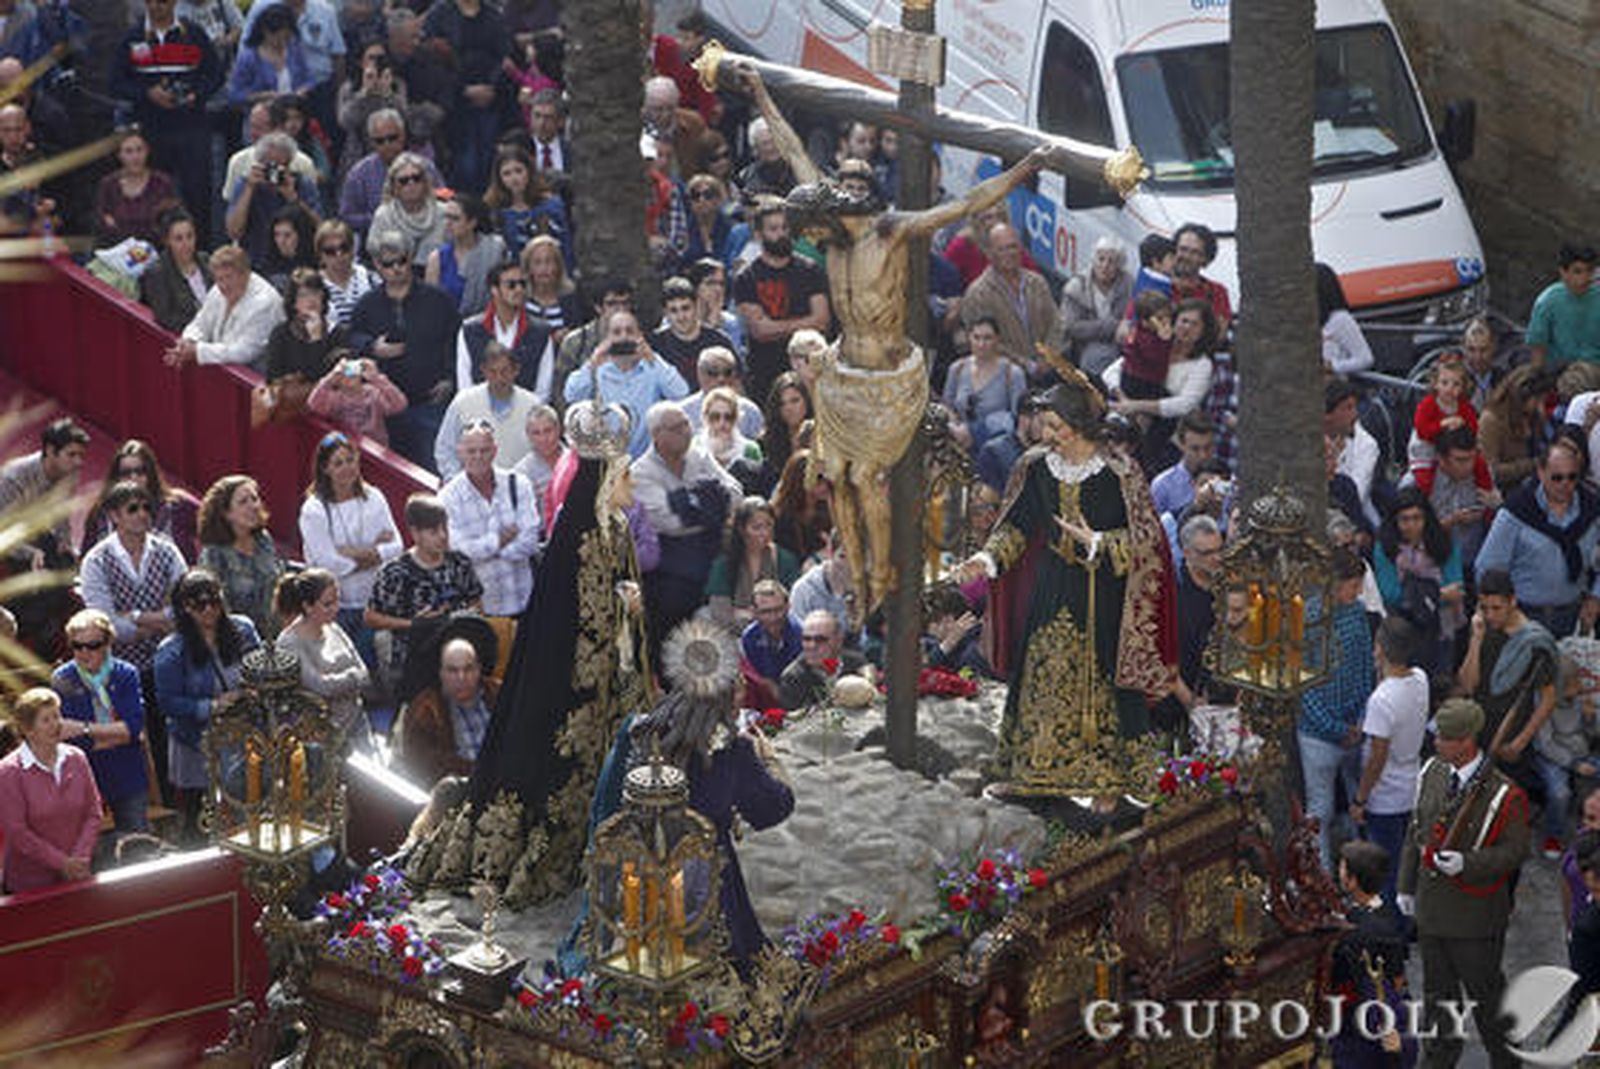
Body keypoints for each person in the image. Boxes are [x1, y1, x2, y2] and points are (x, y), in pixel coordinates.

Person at [468, 398, 652, 905]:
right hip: (575, 680)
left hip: (616, 675)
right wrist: (623, 608)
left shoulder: (615, 530)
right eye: (624, 476)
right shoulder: (585, 537)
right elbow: (587, 618)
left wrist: (630, 608)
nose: (631, 485)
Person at [956, 373, 1174, 798]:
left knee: (1108, 676)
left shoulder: (1119, 474)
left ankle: (1111, 779)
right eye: (1044, 425)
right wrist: (985, 559)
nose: (1046, 434)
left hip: (1107, 595)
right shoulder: (1037, 468)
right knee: (1041, 667)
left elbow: (1148, 544)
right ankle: (1031, 771)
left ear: (1079, 426)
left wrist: (1098, 543)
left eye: (1055, 426)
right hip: (1053, 586)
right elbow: (1016, 526)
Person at [576, 619, 794, 972]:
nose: (741, 691)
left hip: (636, 882)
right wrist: (769, 760)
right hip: (707, 891)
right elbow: (772, 809)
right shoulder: (731, 751)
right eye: (736, 685)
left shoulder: (639, 732)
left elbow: (605, 807)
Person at [1397, 697, 1528, 1069]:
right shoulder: (1432, 772)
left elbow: (1514, 852)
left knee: (1488, 1001)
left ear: (1466, 742)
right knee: (1439, 1000)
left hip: (1475, 919)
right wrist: (1406, 885)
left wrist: (1468, 864)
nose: (1436, 743)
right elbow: (1416, 830)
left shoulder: (1504, 794)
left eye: (1444, 738)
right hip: (1433, 913)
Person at [1459, 568, 1561, 857]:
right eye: (1485, 608)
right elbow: (1468, 684)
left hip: (1510, 738)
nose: (1491, 615)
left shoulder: (1535, 641)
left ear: (1512, 601)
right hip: (1479, 733)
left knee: (1508, 815)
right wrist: (1476, 639)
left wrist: (1520, 742)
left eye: (1497, 608)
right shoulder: (1484, 630)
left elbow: (1548, 698)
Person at [154, 568, 262, 841]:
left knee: (249, 804)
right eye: (200, 604)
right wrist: (212, 705)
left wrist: (254, 689)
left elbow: (259, 667)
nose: (209, 610)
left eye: (214, 601)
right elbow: (167, 703)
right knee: (201, 817)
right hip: (197, 743)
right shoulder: (172, 650)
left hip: (243, 735)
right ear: (185, 608)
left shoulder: (243, 630)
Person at [632, 402, 741, 652]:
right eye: (676, 427)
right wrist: (710, 504)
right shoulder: (641, 473)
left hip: (712, 557)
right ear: (657, 435)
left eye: (686, 424)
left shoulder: (699, 455)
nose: (686, 431)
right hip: (671, 572)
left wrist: (684, 502)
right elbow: (669, 524)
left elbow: (735, 493)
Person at [347, 229, 460, 468]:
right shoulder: (367, 304)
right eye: (388, 264)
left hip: (428, 402)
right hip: (382, 408)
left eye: (402, 260)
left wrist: (450, 378)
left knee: (433, 469)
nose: (397, 268)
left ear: (410, 258)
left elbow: (455, 342)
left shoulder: (438, 300)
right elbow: (350, 341)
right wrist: (372, 347)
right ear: (377, 265)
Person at [1292, 547, 1373, 871]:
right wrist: (1336, 729)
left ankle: (1361, 874)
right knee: (1320, 812)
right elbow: (1302, 688)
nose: (1356, 593)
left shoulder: (1357, 613)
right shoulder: (1307, 620)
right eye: (1351, 586)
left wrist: (1362, 719)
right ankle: (1322, 879)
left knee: (1359, 805)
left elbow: (1366, 666)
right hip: (1318, 734)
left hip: (1355, 726)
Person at [297, 430, 401, 674]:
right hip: (334, 608)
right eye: (338, 463)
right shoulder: (314, 509)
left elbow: (396, 548)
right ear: (325, 469)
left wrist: (353, 552)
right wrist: (375, 552)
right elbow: (328, 566)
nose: (347, 468)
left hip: (372, 604)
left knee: (372, 671)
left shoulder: (374, 497)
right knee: (342, 671)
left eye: (350, 460)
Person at [109, 0, 223, 222]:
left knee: (198, 191)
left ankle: (202, 248)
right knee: (156, 195)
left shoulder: (193, 34)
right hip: (152, 128)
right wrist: (147, 93)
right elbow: (115, 82)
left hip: (192, 126)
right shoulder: (133, 37)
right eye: (150, 2)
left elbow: (215, 74)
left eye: (161, 2)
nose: (155, 7)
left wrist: (195, 95)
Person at [1475, 439, 1600, 637]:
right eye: (1557, 478)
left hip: (1574, 616)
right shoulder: (1517, 511)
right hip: (1524, 618)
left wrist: (1596, 596)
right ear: (1541, 473)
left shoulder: (1591, 509)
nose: (1565, 484)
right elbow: (1488, 567)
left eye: (1572, 477)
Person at [1349, 617, 1429, 907]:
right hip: (1412, 784)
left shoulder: (1381, 700)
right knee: (1408, 864)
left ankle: (1393, 927)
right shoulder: (1420, 678)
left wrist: (1360, 798)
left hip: (1386, 795)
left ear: (1379, 648)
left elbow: (1377, 756)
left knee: (1386, 867)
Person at [364, 493, 483, 685]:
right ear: (415, 532)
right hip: (413, 663)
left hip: (457, 662)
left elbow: (476, 601)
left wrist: (465, 617)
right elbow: (371, 617)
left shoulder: (459, 563)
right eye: (434, 531)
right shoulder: (394, 572)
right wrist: (413, 624)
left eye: (445, 528)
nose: (443, 536)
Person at [51, 609, 150, 836]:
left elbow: (134, 728)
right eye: (77, 646)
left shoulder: (125, 674)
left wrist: (85, 729)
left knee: (138, 845)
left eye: (93, 645)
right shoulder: (62, 679)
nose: (84, 652)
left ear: (107, 644)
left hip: (128, 774)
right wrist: (117, 735)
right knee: (91, 851)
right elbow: (72, 741)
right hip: (85, 779)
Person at [78, 479, 187, 683]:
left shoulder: (168, 552)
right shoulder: (96, 561)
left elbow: (185, 608)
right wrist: (159, 625)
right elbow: (105, 624)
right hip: (117, 670)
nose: (142, 514)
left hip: (169, 661)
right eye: (133, 509)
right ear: (114, 516)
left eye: (146, 507)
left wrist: (135, 616)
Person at [731, 195, 830, 408]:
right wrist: (805, 322)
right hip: (766, 375)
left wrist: (777, 325)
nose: (781, 234)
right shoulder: (747, 278)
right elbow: (760, 331)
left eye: (785, 227)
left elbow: (822, 321)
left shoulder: (811, 270)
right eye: (773, 229)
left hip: (810, 373)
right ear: (759, 234)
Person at [0, 688, 101, 893]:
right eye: (46, 720)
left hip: (80, 874)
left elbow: (93, 812)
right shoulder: (8, 772)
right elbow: (17, 832)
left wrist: (80, 858)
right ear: (28, 730)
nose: (56, 724)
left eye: (57, 716)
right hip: (31, 884)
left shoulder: (77, 758)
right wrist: (62, 863)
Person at [1103, 298, 1218, 475]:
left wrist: (1137, 406)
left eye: (1194, 324)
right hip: (1126, 409)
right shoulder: (1155, 344)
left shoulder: (1202, 364)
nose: (1186, 327)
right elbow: (1111, 372)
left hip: (1167, 431)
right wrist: (1124, 401)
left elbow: (1184, 404)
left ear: (1204, 330)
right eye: (1183, 321)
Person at [1328, 840, 1417, 1068]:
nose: (1338, 872)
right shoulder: (1389, 914)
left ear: (1353, 881)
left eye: (1342, 869)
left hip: (1360, 1019)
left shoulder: (1357, 930)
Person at [439, 420, 541, 618]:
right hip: (481, 609)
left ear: (494, 451)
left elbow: (530, 541)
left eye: (484, 450)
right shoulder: (447, 498)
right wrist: (500, 541)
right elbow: (460, 554)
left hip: (526, 602)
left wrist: (485, 551)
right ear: (460, 452)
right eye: (471, 451)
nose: (478, 457)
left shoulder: (518, 483)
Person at [563, 308, 690, 459]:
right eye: (617, 332)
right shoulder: (597, 370)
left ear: (639, 336)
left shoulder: (654, 368)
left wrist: (653, 359)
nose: (624, 337)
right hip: (608, 458)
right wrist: (592, 362)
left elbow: (681, 393)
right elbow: (571, 395)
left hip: (648, 459)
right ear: (607, 338)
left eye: (630, 331)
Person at [274, 568, 371, 749]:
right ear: (307, 606)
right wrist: (352, 678)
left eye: (337, 601)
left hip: (356, 720)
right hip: (320, 734)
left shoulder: (334, 628)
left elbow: (364, 672)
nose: (336, 608)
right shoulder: (289, 643)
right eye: (327, 604)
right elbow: (320, 686)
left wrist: (343, 680)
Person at [392, 625, 499, 787]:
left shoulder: (499, 694)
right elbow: (427, 770)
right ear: (441, 673)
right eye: (452, 670)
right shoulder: (425, 711)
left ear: (479, 669)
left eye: (468, 669)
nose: (461, 677)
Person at [1373, 489, 1464, 674]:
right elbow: (1391, 594)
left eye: (1417, 518)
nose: (1412, 525)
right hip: (1403, 632)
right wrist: (1437, 594)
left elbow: (1456, 587)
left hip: (1442, 629)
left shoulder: (1443, 542)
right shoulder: (1386, 548)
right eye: (1405, 519)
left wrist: (1419, 595)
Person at [960, 223, 1057, 382]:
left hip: (1048, 368)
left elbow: (1056, 324)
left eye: (1012, 247)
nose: (1009, 253)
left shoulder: (1037, 283)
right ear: (990, 253)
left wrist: (1049, 358)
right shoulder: (978, 294)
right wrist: (1027, 365)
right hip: (1004, 377)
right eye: (1001, 249)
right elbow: (985, 343)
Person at [163, 246, 285, 371]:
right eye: (219, 279)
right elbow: (200, 323)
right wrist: (188, 341)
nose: (223, 286)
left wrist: (198, 350)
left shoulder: (264, 303)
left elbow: (244, 351)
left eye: (229, 277)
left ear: (245, 274)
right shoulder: (218, 289)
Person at [81, 440, 200, 566]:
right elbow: (86, 561)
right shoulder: (102, 513)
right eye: (126, 473)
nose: (134, 477)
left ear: (151, 473)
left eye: (140, 471)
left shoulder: (178, 505)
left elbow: (215, 523)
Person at [197, 475, 283, 641]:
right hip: (239, 643)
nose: (254, 506)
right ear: (226, 513)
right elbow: (215, 610)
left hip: (275, 640)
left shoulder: (263, 540)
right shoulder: (213, 554)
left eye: (255, 499)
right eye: (243, 502)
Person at [454, 260, 555, 399]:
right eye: (511, 285)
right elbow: (464, 386)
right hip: (479, 413)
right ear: (494, 290)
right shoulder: (470, 330)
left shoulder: (541, 332)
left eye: (522, 284)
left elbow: (543, 391)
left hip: (528, 414)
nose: (519, 290)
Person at [0, 417, 87, 572]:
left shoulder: (68, 473)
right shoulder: (14, 479)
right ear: (50, 451)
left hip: (32, 533)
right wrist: (29, 553)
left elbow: (62, 517)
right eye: (72, 455)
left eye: (81, 456)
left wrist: (64, 542)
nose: (78, 462)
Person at [224, 131, 323, 267]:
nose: (275, 173)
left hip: (298, 262)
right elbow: (234, 231)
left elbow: (320, 229)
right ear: (260, 164)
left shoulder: (302, 184)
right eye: (271, 166)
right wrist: (249, 189)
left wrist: (294, 199)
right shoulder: (245, 184)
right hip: (256, 261)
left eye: (282, 167)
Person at [339, 108, 440, 238]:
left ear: (403, 135)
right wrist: (386, 218)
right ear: (371, 143)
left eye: (392, 138)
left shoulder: (425, 167)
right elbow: (346, 217)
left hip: (425, 237)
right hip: (378, 242)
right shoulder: (358, 175)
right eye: (380, 141)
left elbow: (442, 198)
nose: (387, 145)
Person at [263, 268, 346, 418]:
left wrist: (316, 340)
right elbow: (272, 377)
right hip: (290, 414)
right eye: (303, 295)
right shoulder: (281, 333)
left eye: (315, 293)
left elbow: (334, 382)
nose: (311, 300)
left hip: (328, 416)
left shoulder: (338, 334)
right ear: (293, 302)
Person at [706, 498, 799, 631]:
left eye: (769, 525)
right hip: (733, 632)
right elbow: (720, 611)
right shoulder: (724, 564)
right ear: (742, 529)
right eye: (756, 528)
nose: (765, 533)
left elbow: (793, 603)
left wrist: (750, 614)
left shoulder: (785, 560)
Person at [942, 315, 1028, 456]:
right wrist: (954, 427)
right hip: (960, 447)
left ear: (997, 340)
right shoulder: (957, 369)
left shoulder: (1012, 374)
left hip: (996, 449)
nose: (981, 344)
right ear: (969, 338)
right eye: (976, 338)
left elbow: (1018, 418)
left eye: (987, 338)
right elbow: (947, 406)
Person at [1054, 235, 1131, 376]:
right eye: (1101, 259)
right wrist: (1112, 326)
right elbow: (1072, 328)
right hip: (1084, 344)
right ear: (1093, 260)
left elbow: (1128, 316)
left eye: (1111, 262)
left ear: (1119, 266)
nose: (1105, 266)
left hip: (1119, 341)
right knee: (1097, 357)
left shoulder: (1127, 284)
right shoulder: (1076, 287)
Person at [483, 144, 570, 265]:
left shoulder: (552, 206)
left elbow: (565, 247)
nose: (514, 178)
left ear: (529, 171)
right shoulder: (495, 212)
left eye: (518, 171)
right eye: (506, 174)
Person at [94, 129, 179, 247]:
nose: (135, 156)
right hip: (117, 253)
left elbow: (172, 225)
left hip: (155, 252)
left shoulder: (163, 183)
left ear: (147, 151)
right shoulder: (108, 185)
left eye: (139, 150)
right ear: (119, 155)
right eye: (129, 151)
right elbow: (102, 227)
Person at [424, 193, 505, 316]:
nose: (448, 223)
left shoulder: (495, 249)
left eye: (455, 219)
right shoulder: (436, 258)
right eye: (446, 217)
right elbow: (431, 304)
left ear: (472, 222)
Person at [306, 352, 409, 445]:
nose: (348, 375)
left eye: (352, 369)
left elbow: (400, 405)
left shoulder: (373, 393)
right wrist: (330, 379)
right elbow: (313, 405)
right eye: (343, 372)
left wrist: (376, 377)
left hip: (375, 448)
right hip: (347, 448)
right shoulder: (335, 398)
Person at [1477, 363, 1549, 494]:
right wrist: (1533, 464)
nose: (1540, 404)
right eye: (1537, 399)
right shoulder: (1491, 420)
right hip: (1507, 490)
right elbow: (1492, 470)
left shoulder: (1536, 416)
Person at [1527, 242, 1600, 367]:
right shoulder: (1547, 301)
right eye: (1578, 272)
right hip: (1558, 370)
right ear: (1563, 272)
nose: (1585, 278)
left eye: (1589, 271)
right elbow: (1537, 348)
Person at [369, 152, 447, 268]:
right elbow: (375, 253)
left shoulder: (444, 213)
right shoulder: (383, 215)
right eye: (403, 181)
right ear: (394, 187)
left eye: (416, 178)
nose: (411, 184)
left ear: (425, 182)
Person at [778, 608, 866, 711]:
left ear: (838, 640)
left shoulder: (856, 663)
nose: (812, 646)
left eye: (820, 640)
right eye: (807, 639)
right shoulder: (793, 678)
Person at [139, 207, 211, 333]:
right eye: (179, 239)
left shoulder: (206, 260)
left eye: (190, 236)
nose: (186, 243)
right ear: (167, 241)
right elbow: (166, 318)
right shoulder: (157, 273)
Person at [653, 274, 734, 383]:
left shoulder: (719, 341)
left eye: (685, 308)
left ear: (696, 306)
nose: (681, 317)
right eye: (673, 310)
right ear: (665, 313)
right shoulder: (655, 344)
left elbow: (736, 384)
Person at [682, 346, 763, 439]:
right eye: (713, 372)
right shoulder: (684, 412)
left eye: (727, 372)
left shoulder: (750, 411)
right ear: (699, 373)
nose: (721, 379)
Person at [1169, 222, 1233, 341]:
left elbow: (1219, 335)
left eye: (1195, 252)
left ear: (1205, 259)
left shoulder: (1216, 292)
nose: (1187, 256)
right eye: (1183, 249)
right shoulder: (1154, 284)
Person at [1148, 411, 1216, 520]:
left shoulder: (1227, 481)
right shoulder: (1162, 486)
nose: (1203, 456)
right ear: (1181, 444)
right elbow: (1157, 532)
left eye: (1208, 448)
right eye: (1195, 449)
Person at [769, 449, 833, 565]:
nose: (825, 485)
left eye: (827, 478)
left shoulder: (831, 511)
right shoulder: (780, 517)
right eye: (819, 479)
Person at [314, 218, 378, 327]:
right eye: (330, 251)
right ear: (320, 255)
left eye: (344, 248)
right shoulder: (313, 285)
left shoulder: (372, 279)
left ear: (353, 248)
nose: (339, 255)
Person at [522, 234, 582, 344]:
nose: (544, 268)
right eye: (537, 263)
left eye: (549, 262)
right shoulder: (520, 300)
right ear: (528, 268)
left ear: (558, 266)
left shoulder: (572, 301)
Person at [1316, 262, 1374, 375]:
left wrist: (1333, 366)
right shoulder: (1314, 319)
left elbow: (1366, 359)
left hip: (1334, 384)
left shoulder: (1340, 319)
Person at [512, 403, 565, 522]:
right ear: (528, 435)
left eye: (548, 431)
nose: (543, 439)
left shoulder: (575, 462)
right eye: (536, 433)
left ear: (558, 430)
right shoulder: (521, 472)